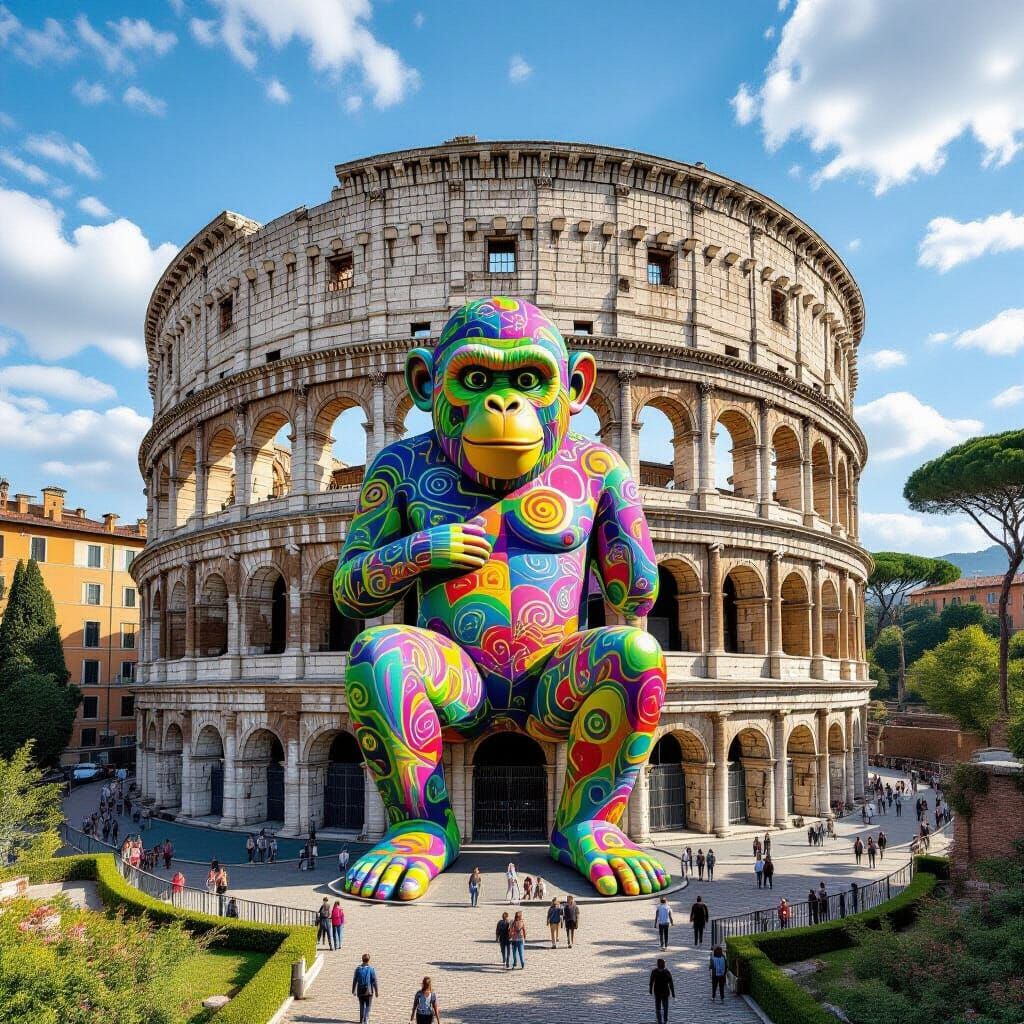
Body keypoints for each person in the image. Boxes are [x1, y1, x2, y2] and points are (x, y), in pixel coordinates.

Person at [352, 953, 379, 1024]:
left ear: (362, 959)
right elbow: (374, 981)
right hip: (369, 991)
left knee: (361, 1005)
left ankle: (361, 1020)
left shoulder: (358, 969)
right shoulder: (371, 969)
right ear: (369, 960)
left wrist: (353, 990)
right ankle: (366, 1018)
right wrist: (376, 992)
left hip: (360, 991)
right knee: (368, 1005)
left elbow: (355, 980)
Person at [649, 957, 675, 1024]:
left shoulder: (654, 971)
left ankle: (659, 1020)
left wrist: (650, 989)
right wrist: (673, 992)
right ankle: (665, 1019)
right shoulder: (667, 972)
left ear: (657, 965)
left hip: (657, 992)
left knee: (658, 1007)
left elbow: (651, 981)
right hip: (665, 992)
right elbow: (671, 983)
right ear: (664, 965)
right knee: (665, 1007)